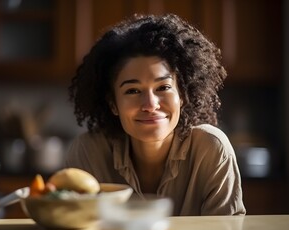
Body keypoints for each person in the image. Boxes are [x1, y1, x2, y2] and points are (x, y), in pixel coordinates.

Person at [65, 13, 246, 216]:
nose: (150, 105)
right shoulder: (89, 152)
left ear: (183, 96)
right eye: (132, 91)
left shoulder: (212, 149)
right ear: (113, 103)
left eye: (163, 87)